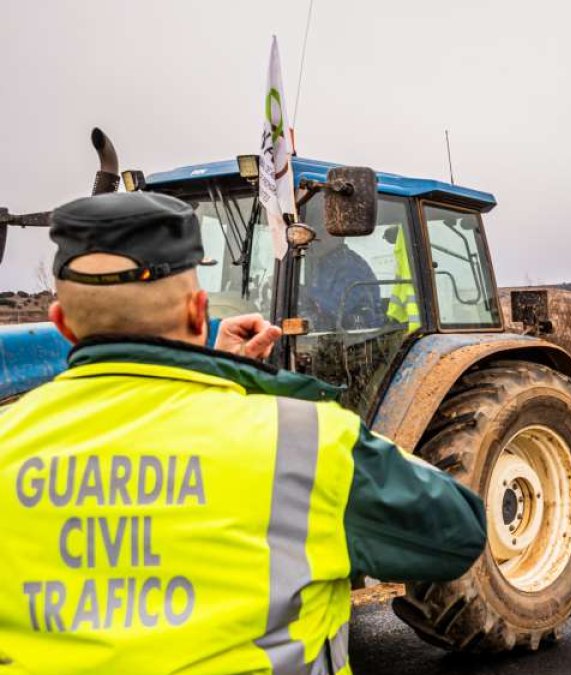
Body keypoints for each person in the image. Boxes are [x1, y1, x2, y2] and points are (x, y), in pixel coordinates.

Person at [0, 192, 487, 674]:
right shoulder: (308, 441)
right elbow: (455, 531)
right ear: (198, 313)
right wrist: (245, 384)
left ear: (60, 325)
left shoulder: (10, 440)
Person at [303, 232, 382, 331]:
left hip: (355, 338)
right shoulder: (326, 263)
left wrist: (308, 294)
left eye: (321, 233)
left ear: (338, 237)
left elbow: (342, 307)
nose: (315, 240)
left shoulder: (348, 266)